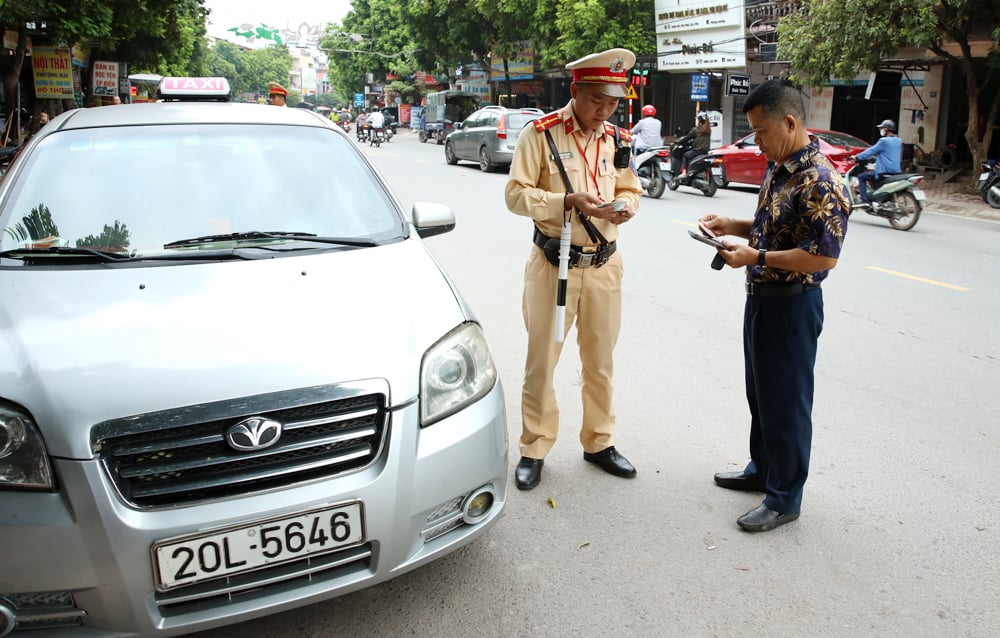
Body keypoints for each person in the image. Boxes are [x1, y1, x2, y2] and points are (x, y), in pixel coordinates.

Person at [699, 78, 850, 533]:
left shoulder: (821, 179)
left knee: (786, 402)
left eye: (761, 131)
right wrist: (733, 224)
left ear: (789, 121)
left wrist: (755, 257)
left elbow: (823, 255)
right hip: (761, 300)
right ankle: (762, 470)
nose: (757, 141)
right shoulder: (780, 165)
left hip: (793, 306)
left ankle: (785, 497)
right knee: (761, 395)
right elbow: (770, 226)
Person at [505, 48, 643, 490]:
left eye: (613, 103)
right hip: (553, 263)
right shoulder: (541, 134)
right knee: (542, 361)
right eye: (596, 100)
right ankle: (535, 447)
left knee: (600, 361)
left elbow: (630, 186)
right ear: (575, 91)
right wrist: (564, 201)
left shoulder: (616, 137)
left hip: (604, 264)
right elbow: (515, 195)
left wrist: (624, 206)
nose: (604, 111)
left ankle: (599, 441)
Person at [855, 119, 902, 204]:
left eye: (882, 128)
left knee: (861, 176)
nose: (881, 130)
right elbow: (889, 154)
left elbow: (870, 151)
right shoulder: (898, 141)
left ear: (886, 129)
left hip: (884, 172)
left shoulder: (883, 141)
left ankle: (864, 200)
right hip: (896, 172)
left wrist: (857, 157)